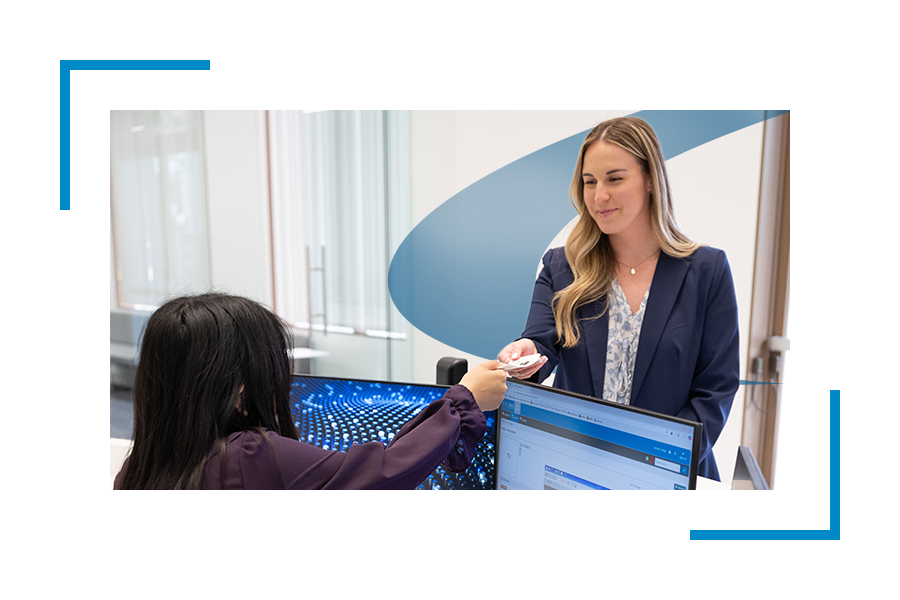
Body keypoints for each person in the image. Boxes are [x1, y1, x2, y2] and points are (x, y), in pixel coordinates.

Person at [497, 116, 739, 481]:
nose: (599, 196)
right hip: (572, 468)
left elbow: (715, 389)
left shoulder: (707, 271)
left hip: (669, 472)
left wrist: (663, 462)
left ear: (650, 181)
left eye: (615, 178)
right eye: (589, 182)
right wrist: (524, 353)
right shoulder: (561, 266)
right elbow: (542, 345)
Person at [115, 292, 507, 490]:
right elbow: (384, 472)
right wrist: (464, 399)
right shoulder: (249, 455)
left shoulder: (138, 468)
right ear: (239, 389)